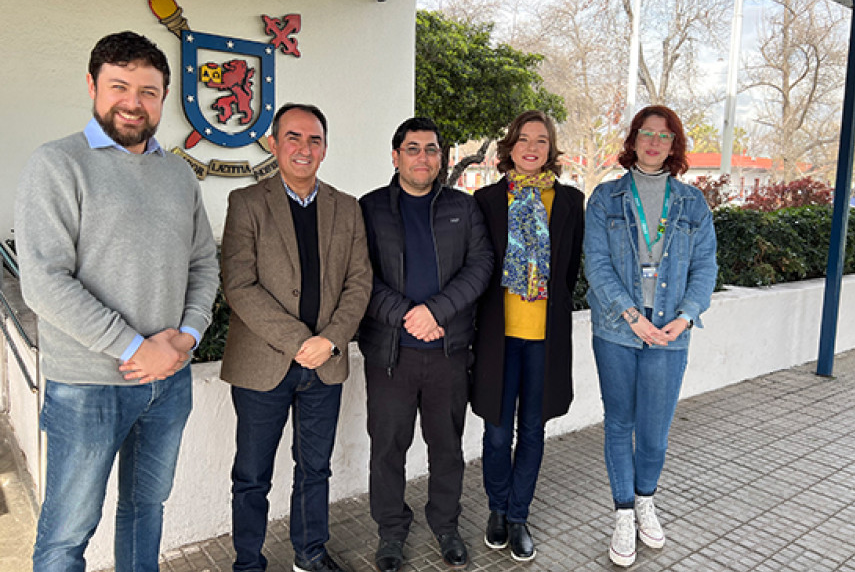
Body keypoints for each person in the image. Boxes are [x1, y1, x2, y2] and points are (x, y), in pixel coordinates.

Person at [15, 31, 219, 571]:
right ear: (93, 87)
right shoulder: (57, 164)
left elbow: (203, 263)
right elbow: (43, 282)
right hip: (87, 388)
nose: (134, 101)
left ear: (164, 97)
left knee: (145, 511)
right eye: (120, 86)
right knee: (66, 533)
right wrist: (134, 346)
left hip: (168, 382)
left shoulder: (178, 174)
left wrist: (188, 336)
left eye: (149, 91)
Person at [219, 103, 372, 572]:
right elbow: (238, 285)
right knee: (251, 475)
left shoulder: (346, 208)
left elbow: (360, 282)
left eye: (314, 140)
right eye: (294, 138)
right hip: (263, 366)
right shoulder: (247, 203)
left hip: (324, 365)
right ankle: (248, 560)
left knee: (315, 469)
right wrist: (300, 341)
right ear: (273, 143)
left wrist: (329, 340)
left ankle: (309, 554)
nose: (304, 148)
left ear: (325, 148)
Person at [357, 117, 493, 572]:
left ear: (442, 157)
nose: (422, 157)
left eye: (431, 149)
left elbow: (481, 266)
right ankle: (391, 532)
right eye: (412, 148)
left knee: (447, 448)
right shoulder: (369, 208)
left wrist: (436, 311)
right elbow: (359, 278)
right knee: (387, 449)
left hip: (449, 354)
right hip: (389, 355)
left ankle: (446, 525)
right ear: (395, 157)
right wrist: (406, 316)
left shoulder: (463, 207)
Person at [584, 105, 717, 567]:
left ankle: (645, 501)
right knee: (619, 423)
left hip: (670, 331)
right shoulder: (605, 198)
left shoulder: (693, 203)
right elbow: (596, 264)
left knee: (655, 433)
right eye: (646, 133)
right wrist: (630, 316)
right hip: (617, 330)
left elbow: (705, 268)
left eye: (664, 136)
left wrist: (684, 317)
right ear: (634, 140)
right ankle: (622, 512)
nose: (654, 142)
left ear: (675, 145)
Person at [470, 110, 585, 562]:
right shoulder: (486, 201)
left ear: (550, 148)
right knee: (497, 433)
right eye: (523, 139)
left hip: (545, 340)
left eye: (541, 140)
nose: (532, 147)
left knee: (532, 430)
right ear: (509, 146)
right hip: (498, 338)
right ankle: (496, 510)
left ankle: (519, 516)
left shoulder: (571, 202)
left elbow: (571, 269)